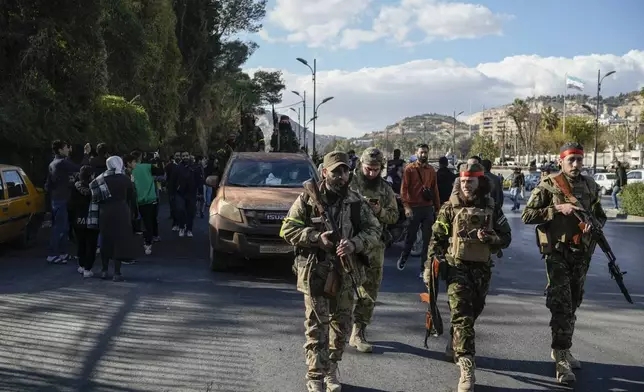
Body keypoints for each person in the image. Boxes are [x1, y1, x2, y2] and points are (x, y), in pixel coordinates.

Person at [280, 151, 381, 392]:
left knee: (341, 327)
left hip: (346, 273)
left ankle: (331, 369)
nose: (342, 176)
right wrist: (315, 237)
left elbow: (375, 231)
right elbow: (287, 229)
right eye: (336, 171)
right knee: (316, 326)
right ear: (324, 172)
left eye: (345, 171)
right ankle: (315, 376)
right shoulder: (308, 199)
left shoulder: (356, 201)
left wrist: (354, 243)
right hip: (316, 272)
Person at [521, 142, 606, 385]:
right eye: (572, 160)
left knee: (574, 302)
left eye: (580, 160)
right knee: (562, 304)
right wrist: (558, 208)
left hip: (582, 252)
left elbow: (600, 214)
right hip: (557, 252)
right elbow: (528, 215)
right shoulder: (549, 184)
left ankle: (564, 348)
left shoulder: (590, 185)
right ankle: (560, 356)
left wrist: (594, 224)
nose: (577, 165)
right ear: (561, 161)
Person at [427, 162, 511, 392]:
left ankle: (454, 342)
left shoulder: (492, 208)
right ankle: (467, 367)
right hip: (456, 268)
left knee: (473, 312)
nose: (466, 186)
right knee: (462, 316)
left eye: (470, 181)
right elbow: (436, 239)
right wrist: (430, 268)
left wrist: (492, 238)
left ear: (480, 182)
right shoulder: (449, 208)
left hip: (482, 270)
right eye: (463, 182)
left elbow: (506, 237)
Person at [348, 147, 398, 353]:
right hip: (348, 242)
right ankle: (336, 329)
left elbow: (394, 216)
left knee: (369, 290)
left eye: (376, 170)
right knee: (341, 287)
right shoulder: (348, 183)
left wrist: (379, 211)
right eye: (368, 169)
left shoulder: (385, 189)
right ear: (361, 165)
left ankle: (358, 331)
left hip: (373, 246)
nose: (372, 173)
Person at [89, 156, 137, 281]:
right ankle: (117, 272)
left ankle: (104, 270)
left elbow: (95, 198)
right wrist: (134, 213)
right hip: (122, 211)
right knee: (119, 242)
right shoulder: (125, 179)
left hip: (105, 212)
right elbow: (132, 197)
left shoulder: (100, 179)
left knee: (106, 240)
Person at [397, 143, 441, 277]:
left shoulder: (431, 170)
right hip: (414, 208)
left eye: (426, 152)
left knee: (427, 241)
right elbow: (404, 189)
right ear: (416, 153)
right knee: (410, 237)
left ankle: (423, 268)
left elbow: (435, 190)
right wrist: (406, 206)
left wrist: (438, 209)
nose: (424, 155)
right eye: (421, 152)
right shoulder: (409, 169)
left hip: (427, 208)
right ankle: (404, 257)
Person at [45, 140, 80, 264]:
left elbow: (48, 184)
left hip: (57, 198)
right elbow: (79, 168)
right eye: (66, 148)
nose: (68, 149)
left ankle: (63, 253)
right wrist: (87, 155)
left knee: (63, 227)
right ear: (60, 150)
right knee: (60, 227)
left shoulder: (53, 163)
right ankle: (52, 253)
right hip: (61, 199)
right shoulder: (62, 163)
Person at [131, 151, 165, 255]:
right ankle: (150, 240)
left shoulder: (129, 170)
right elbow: (161, 172)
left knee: (144, 221)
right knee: (151, 220)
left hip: (138, 199)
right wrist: (158, 160)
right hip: (151, 198)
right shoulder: (148, 167)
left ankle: (148, 240)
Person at [69, 165, 99, 278]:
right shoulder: (95, 188)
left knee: (80, 244)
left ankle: (81, 265)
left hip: (78, 220)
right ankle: (88, 268)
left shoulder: (74, 187)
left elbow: (70, 205)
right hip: (92, 220)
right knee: (91, 245)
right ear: (91, 175)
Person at [168, 151, 201, 237]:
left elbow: (199, 180)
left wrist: (199, 192)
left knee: (191, 212)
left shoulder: (195, 167)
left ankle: (189, 229)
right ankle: (182, 227)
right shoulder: (178, 167)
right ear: (181, 157)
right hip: (180, 193)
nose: (185, 157)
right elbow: (172, 181)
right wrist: (171, 193)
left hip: (191, 193)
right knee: (180, 210)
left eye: (187, 155)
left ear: (189, 156)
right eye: (183, 156)